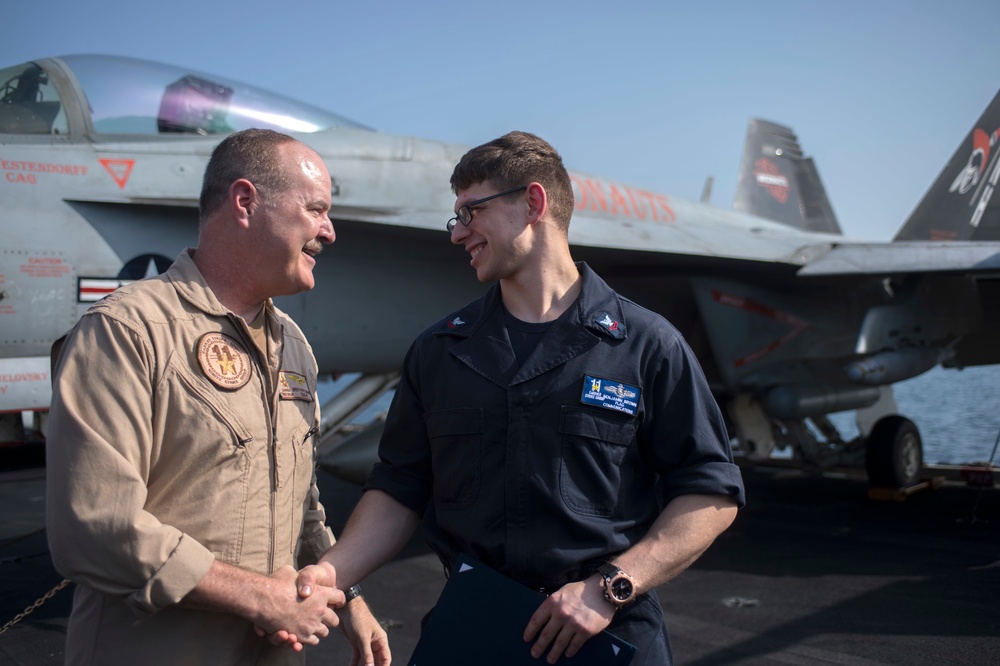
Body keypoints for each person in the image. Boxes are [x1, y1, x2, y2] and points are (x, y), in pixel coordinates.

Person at [295, 131, 745, 664]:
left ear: (533, 203)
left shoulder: (647, 345)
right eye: (454, 217)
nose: (458, 233)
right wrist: (331, 573)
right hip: (476, 627)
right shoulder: (441, 351)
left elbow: (711, 493)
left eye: (471, 212)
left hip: (608, 631)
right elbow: (400, 488)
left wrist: (612, 587)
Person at [46, 128, 389, 665]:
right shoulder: (127, 331)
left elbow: (301, 507)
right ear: (246, 202)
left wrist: (350, 599)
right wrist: (260, 598)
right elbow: (93, 527)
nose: (329, 231)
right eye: (317, 209)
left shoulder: (292, 347)